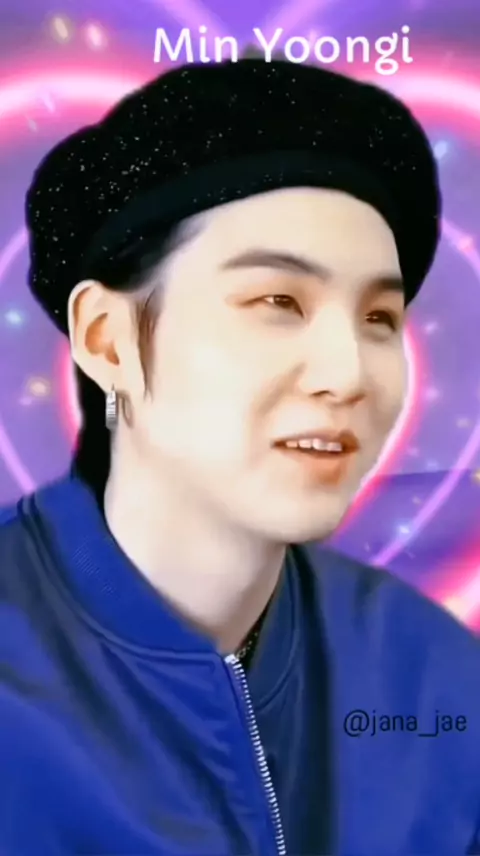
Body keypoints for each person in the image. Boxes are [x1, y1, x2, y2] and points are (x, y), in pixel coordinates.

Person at [0, 56, 479, 856]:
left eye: (379, 319)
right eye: (278, 302)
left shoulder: (432, 675)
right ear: (107, 341)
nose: (348, 376)